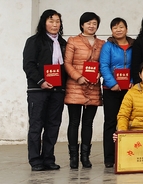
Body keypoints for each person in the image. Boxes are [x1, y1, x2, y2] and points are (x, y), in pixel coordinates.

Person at [23, 9, 67, 171]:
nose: (55, 24)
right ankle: (35, 160)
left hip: (57, 91)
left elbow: (67, 66)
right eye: (51, 21)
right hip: (38, 90)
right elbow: (28, 65)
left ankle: (48, 158)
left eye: (57, 21)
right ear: (44, 23)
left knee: (53, 125)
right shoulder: (34, 41)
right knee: (36, 125)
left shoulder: (63, 43)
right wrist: (41, 81)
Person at [64, 12, 105, 169]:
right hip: (75, 86)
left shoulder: (101, 43)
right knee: (74, 122)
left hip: (93, 87)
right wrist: (78, 77)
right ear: (82, 25)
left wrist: (99, 74)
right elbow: (67, 63)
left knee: (88, 123)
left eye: (94, 23)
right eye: (88, 23)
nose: (91, 26)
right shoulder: (73, 41)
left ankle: (85, 157)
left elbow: (103, 63)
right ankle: (73, 157)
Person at [99, 17, 134, 168]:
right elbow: (104, 65)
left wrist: (132, 80)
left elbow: (136, 65)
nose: (118, 30)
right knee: (111, 122)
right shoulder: (108, 46)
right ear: (111, 31)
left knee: (129, 121)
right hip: (111, 90)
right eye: (115, 28)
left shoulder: (133, 45)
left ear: (126, 29)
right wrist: (112, 83)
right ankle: (109, 157)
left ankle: (127, 154)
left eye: (121, 27)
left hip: (129, 90)